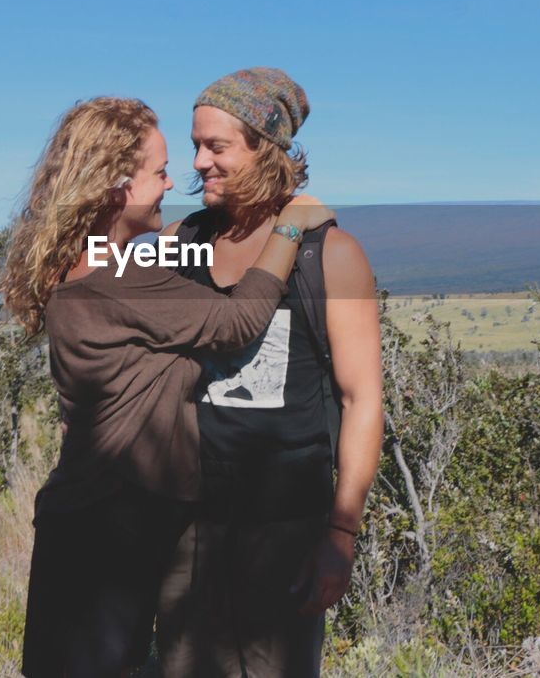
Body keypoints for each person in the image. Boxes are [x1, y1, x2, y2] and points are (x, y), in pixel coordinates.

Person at [0, 96, 333, 678]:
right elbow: (237, 321)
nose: (173, 179)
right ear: (115, 185)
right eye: (158, 171)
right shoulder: (121, 275)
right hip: (106, 532)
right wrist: (288, 224)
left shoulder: (91, 261)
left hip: (94, 522)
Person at [156, 68, 384, 677]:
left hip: (287, 527)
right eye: (196, 144)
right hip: (189, 525)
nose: (198, 161)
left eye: (217, 146)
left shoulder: (331, 256)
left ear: (267, 148)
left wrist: (342, 531)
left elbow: (362, 398)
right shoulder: (180, 244)